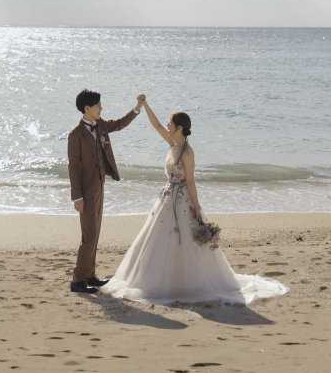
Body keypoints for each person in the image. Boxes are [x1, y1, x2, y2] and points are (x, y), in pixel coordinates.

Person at [100, 97, 287, 306]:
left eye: (171, 123)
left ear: (180, 127)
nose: (168, 125)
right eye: (169, 123)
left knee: (183, 242)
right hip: (166, 198)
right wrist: (144, 106)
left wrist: (196, 209)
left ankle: (181, 283)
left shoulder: (188, 152)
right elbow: (156, 125)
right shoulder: (173, 143)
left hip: (181, 201)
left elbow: (190, 181)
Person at [67, 88, 145, 294]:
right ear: (87, 108)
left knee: (95, 232)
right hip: (85, 191)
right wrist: (77, 197)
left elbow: (119, 123)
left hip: (99, 187)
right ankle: (77, 280)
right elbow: (73, 167)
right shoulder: (75, 135)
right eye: (98, 105)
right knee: (89, 235)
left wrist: (137, 108)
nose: (101, 108)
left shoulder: (100, 125)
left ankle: (90, 274)